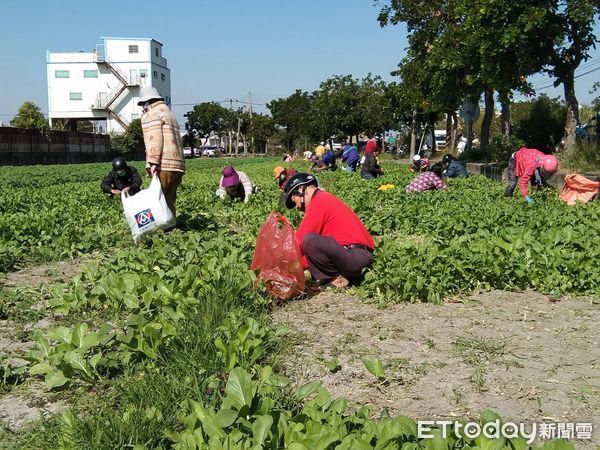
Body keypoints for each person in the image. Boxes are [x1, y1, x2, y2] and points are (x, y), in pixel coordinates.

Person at [281, 173, 375, 288]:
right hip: (358, 257)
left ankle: (337, 280)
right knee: (311, 243)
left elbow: (299, 241)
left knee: (310, 240)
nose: (297, 206)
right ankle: (343, 277)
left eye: (294, 200)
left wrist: (282, 264)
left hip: (355, 257)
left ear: (301, 189)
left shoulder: (318, 202)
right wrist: (294, 269)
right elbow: (311, 253)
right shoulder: (324, 198)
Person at [138, 86, 185, 220]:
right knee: (169, 199)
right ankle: (171, 226)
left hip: (164, 164)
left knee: (157, 198)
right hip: (178, 165)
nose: (143, 107)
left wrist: (153, 161)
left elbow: (155, 138)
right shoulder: (169, 113)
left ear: (147, 102)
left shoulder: (153, 114)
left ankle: (153, 228)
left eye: (143, 104)